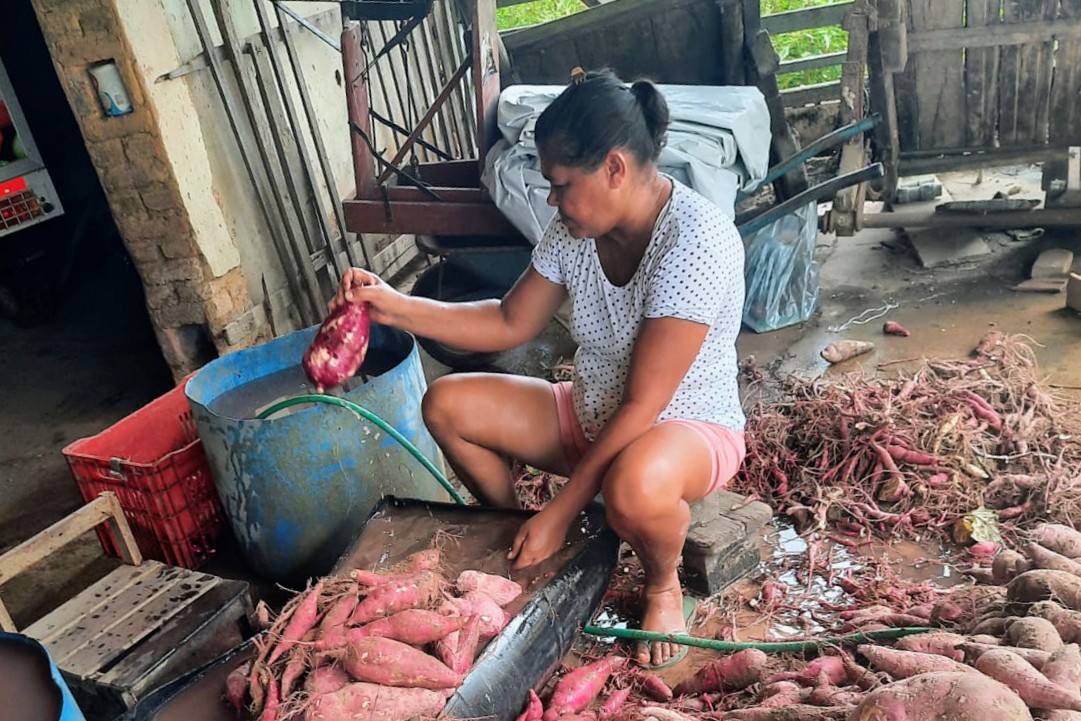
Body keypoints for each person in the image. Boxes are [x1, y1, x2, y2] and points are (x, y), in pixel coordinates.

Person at [331, 68, 746, 667]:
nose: (551, 199)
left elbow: (644, 405)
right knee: (447, 404)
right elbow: (508, 320)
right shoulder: (577, 229)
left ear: (614, 168)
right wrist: (394, 306)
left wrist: (562, 509)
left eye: (561, 184)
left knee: (631, 488)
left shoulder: (695, 243)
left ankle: (662, 584)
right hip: (592, 413)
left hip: (683, 430)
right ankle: (513, 530)